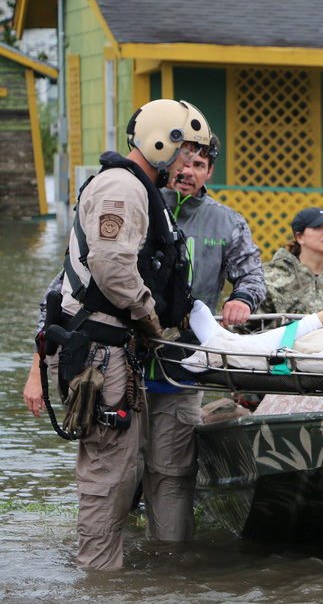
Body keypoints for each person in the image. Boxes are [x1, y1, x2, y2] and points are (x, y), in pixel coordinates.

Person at [42, 98, 207, 571]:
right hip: (99, 350)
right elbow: (113, 267)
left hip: (111, 350)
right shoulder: (121, 187)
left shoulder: (138, 189)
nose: (186, 163)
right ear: (162, 141)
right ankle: (99, 579)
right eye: (183, 151)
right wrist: (150, 318)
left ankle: (111, 572)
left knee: (121, 466)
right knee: (109, 472)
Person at [142, 131, 266, 543]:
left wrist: (243, 299)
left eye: (198, 165)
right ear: (166, 164)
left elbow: (252, 275)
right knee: (118, 472)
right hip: (122, 363)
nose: (188, 171)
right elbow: (68, 285)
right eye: (183, 162)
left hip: (184, 367)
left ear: (209, 172)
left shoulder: (227, 221)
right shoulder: (135, 205)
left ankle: (172, 565)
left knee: (173, 472)